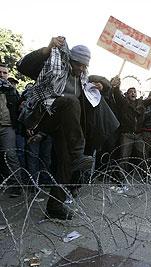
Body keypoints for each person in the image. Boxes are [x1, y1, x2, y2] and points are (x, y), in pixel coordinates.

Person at [17, 36, 100, 219]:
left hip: (64, 127)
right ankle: (76, 152)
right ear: (70, 60)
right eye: (78, 64)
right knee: (70, 102)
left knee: (66, 164)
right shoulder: (55, 68)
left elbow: (101, 88)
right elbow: (23, 66)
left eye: (85, 66)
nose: (81, 68)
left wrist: (100, 87)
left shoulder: (83, 79)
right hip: (46, 115)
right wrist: (47, 49)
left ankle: (55, 206)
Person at [109, 76, 151, 160]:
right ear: (127, 94)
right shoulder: (124, 103)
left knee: (142, 155)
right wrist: (116, 87)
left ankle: (142, 172)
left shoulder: (141, 103)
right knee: (124, 156)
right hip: (127, 134)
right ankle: (122, 172)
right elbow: (117, 95)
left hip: (138, 135)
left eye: (134, 92)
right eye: (130, 92)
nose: (133, 93)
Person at [0, 63, 23, 197]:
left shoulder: (11, 90)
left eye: (4, 73)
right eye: (0, 72)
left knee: (10, 155)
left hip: (7, 127)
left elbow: (20, 108)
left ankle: (16, 186)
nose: (2, 75)